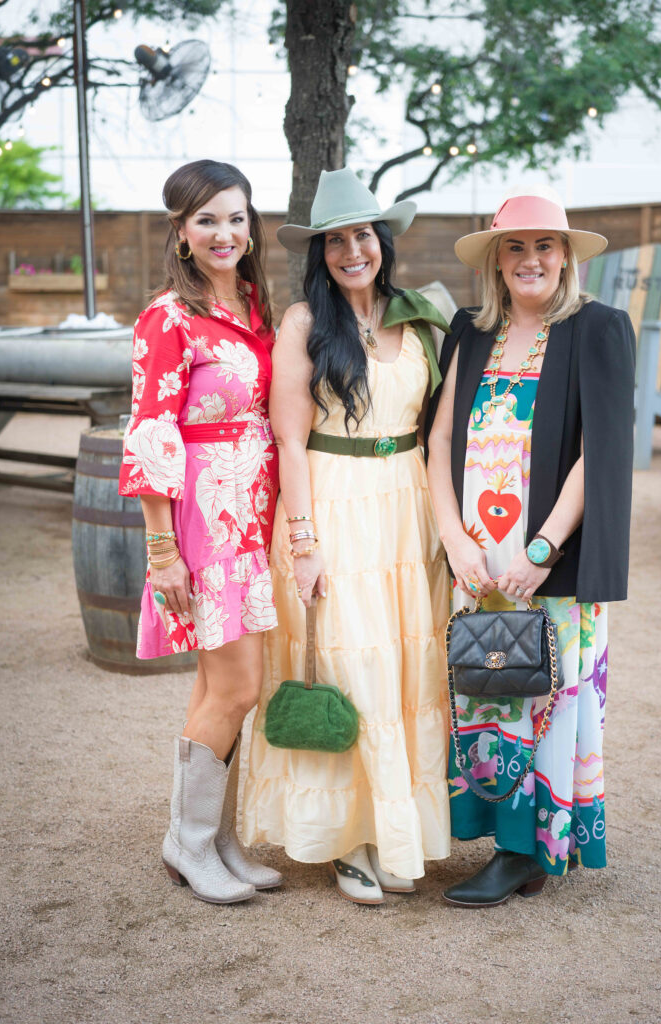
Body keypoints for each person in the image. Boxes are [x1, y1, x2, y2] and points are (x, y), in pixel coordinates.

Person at [242, 167, 452, 904]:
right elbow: (290, 441)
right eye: (336, 241)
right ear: (320, 253)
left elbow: (442, 429)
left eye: (363, 234)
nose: (351, 250)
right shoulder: (305, 322)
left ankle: (395, 829)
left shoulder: (421, 316)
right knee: (348, 669)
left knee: (404, 674)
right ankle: (345, 841)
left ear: (383, 240)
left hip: (407, 507)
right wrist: (303, 544)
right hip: (332, 504)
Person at [425, 183, 635, 907]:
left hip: (549, 558)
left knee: (546, 693)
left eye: (545, 246)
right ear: (495, 260)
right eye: (514, 247)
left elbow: (598, 453)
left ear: (567, 256)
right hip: (479, 557)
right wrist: (454, 538)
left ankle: (529, 850)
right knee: (488, 690)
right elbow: (441, 439)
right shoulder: (470, 330)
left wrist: (540, 551)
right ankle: (505, 838)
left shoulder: (597, 328)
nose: (530, 260)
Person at [118, 159, 283, 904]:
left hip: (255, 513)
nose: (225, 232)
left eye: (236, 217)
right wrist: (163, 550)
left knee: (221, 685)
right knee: (239, 685)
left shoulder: (256, 306)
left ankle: (211, 838)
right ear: (181, 233)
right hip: (204, 517)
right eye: (207, 220)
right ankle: (188, 843)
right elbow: (151, 430)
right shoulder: (168, 317)